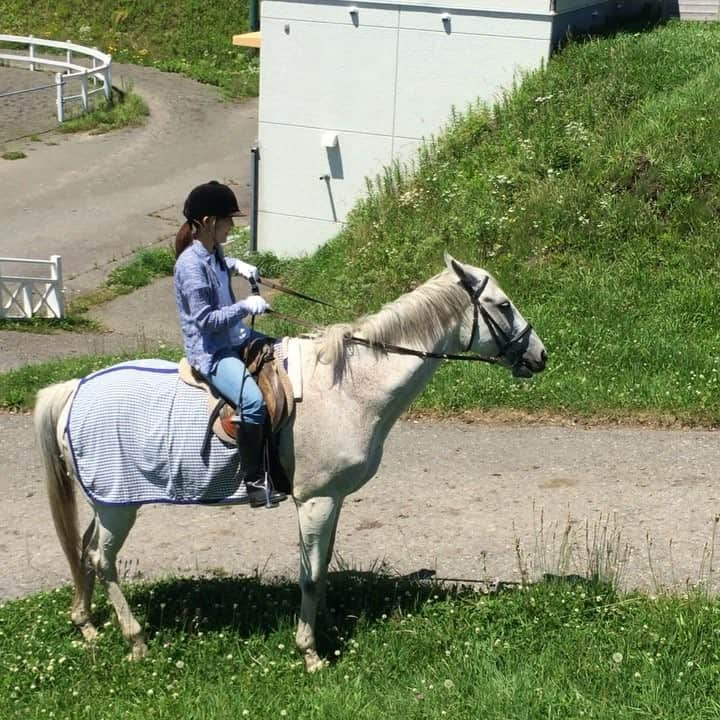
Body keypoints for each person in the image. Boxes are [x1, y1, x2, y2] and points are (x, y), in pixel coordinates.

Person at [174, 180, 286, 508]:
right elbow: (205, 321)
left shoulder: (213, 251)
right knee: (252, 402)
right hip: (211, 351)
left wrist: (237, 265)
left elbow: (220, 265)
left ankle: (279, 462)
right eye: (228, 220)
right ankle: (254, 483)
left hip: (235, 336)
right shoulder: (190, 267)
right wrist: (245, 307)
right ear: (208, 223)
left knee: (283, 356)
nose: (232, 226)